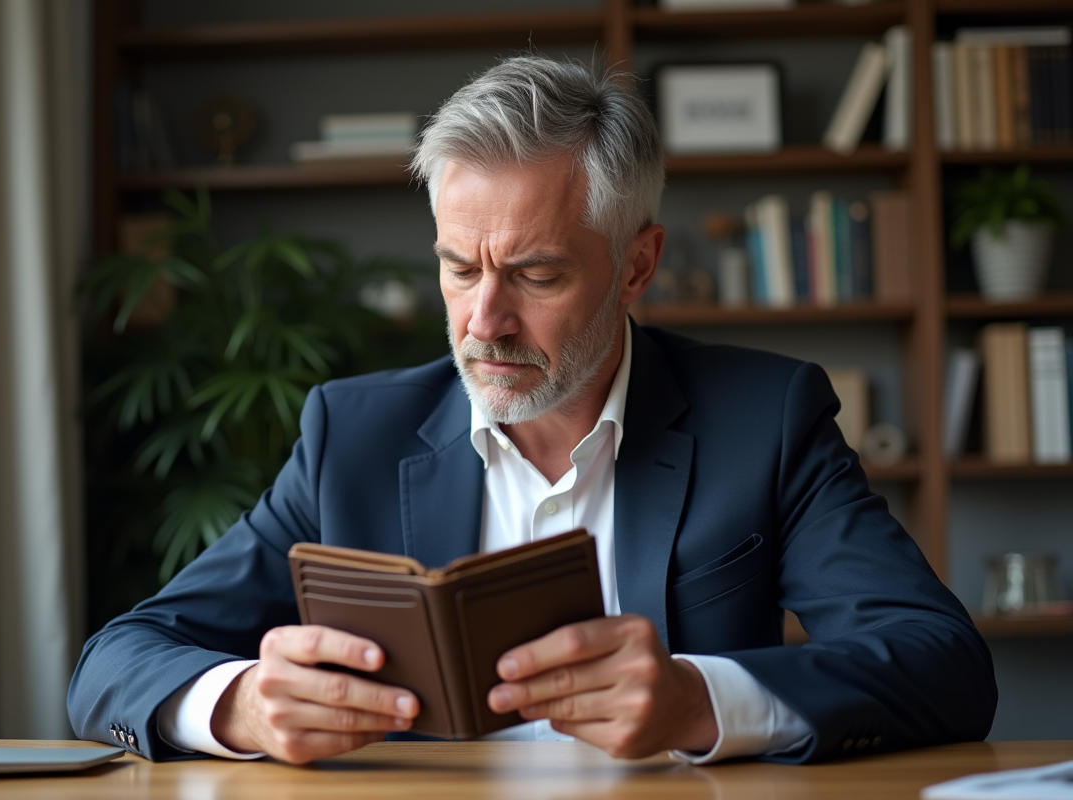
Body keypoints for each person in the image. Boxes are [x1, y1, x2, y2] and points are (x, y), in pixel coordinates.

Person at [68, 55, 996, 766]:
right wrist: (238, 704)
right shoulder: (350, 436)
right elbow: (119, 658)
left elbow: (942, 663)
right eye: (458, 268)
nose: (483, 321)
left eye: (535, 273)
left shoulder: (767, 418)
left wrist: (696, 699)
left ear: (637, 265)